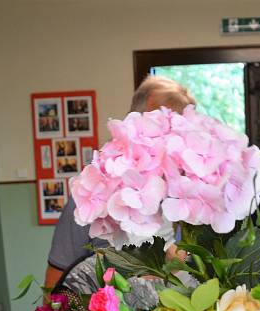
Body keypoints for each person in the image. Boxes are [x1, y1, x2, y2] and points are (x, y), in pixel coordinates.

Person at [44, 76, 196, 288]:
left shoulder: (197, 202)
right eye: (158, 132)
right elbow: (54, 296)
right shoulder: (91, 199)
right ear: (131, 129)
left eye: (180, 135)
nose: (168, 146)